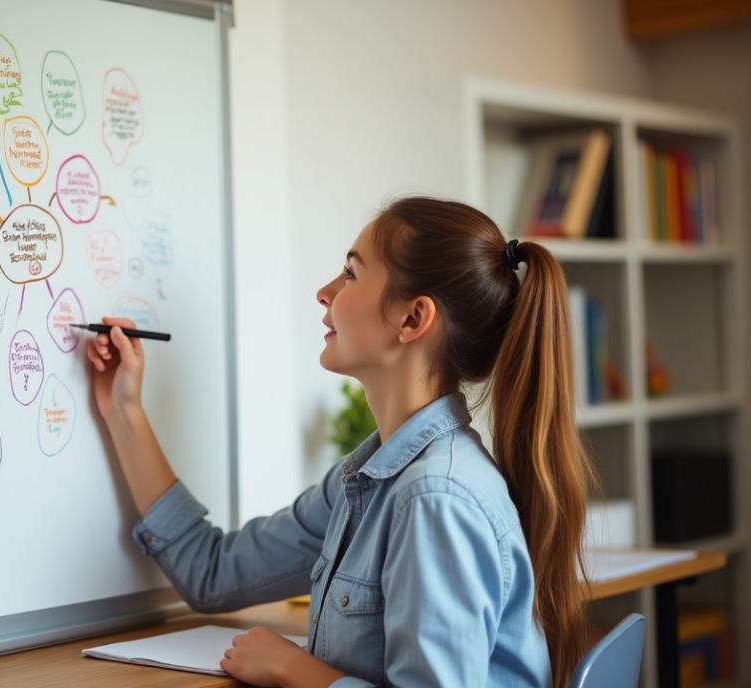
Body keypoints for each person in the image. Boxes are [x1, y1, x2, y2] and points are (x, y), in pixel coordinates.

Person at [85, 196, 594, 688]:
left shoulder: (435, 497)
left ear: (413, 319)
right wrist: (123, 410)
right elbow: (213, 573)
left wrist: (294, 668)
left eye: (351, 273)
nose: (325, 291)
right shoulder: (368, 481)